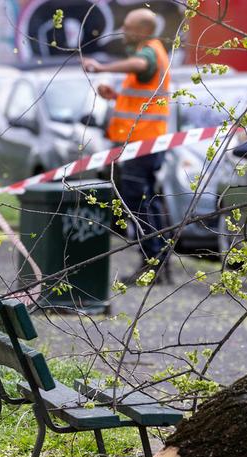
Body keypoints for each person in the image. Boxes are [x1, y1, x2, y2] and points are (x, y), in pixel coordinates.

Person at [82, 8, 172, 284]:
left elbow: (140, 65)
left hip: (141, 143)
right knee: (148, 202)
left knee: (138, 203)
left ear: (144, 30)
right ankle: (159, 262)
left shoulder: (149, 53)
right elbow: (142, 97)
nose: (123, 30)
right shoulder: (155, 51)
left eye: (128, 26)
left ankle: (152, 263)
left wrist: (102, 68)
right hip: (146, 141)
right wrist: (116, 96)